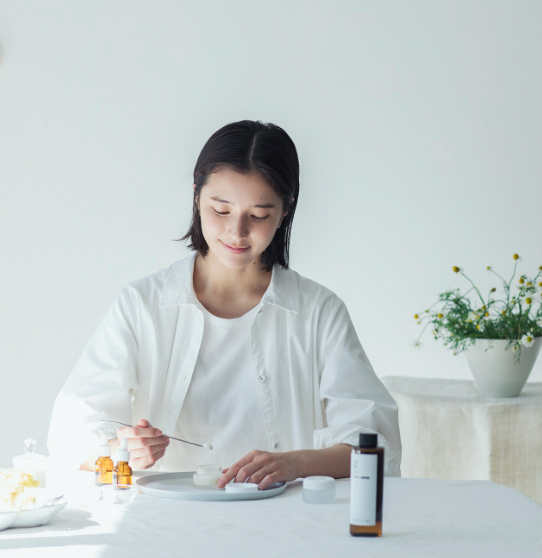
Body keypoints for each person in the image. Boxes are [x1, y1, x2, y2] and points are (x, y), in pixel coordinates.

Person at [47, 120, 401, 488]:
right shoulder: (141, 304)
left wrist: (294, 463)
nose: (237, 231)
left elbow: (377, 448)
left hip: (284, 515)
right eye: (221, 210)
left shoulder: (320, 312)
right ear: (197, 196)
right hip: (165, 514)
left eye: (259, 215)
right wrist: (120, 451)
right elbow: (69, 437)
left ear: (285, 210)